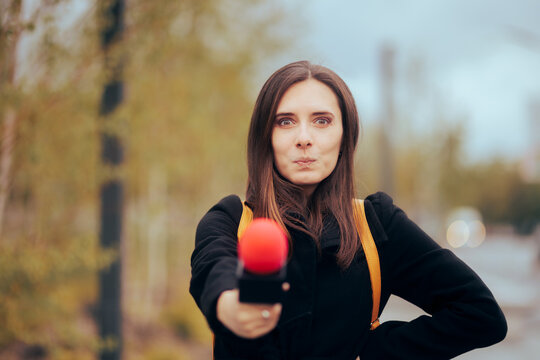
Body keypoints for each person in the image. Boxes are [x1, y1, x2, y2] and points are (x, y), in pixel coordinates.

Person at [189, 60, 507, 359]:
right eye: (285, 121)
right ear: (265, 137)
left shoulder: (376, 224)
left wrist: (371, 352)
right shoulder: (231, 221)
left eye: (322, 120)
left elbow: (479, 314)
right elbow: (214, 270)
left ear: (345, 135)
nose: (304, 138)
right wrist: (230, 306)